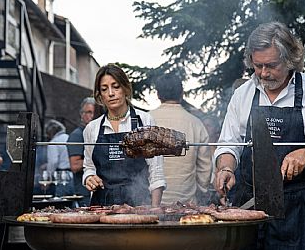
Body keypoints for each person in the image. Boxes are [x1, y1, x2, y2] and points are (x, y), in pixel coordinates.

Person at [213, 22, 305, 250]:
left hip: (300, 208)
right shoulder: (243, 94)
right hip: (250, 205)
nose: (264, 73)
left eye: (272, 65)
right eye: (258, 66)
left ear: (290, 59)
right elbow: (228, 144)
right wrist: (226, 168)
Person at [82, 64, 166, 206]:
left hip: (139, 204)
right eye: (104, 89)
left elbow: (156, 170)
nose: (111, 93)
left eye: (116, 87)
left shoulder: (144, 121)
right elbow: (89, 166)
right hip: (101, 206)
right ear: (100, 95)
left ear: (125, 89)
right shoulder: (92, 128)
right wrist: (89, 177)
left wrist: (154, 209)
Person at [150, 72, 212, 205]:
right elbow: (205, 169)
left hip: (150, 204)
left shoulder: (146, 120)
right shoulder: (195, 123)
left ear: (158, 94)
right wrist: (202, 190)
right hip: (186, 205)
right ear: (181, 93)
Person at [66, 97, 96, 206]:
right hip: (85, 191)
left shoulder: (97, 133)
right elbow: (74, 165)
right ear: (81, 115)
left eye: (93, 112)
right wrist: (100, 158)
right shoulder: (77, 135)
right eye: (88, 112)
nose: (91, 116)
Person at [45, 119, 74, 197]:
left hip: (61, 176)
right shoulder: (70, 138)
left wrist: (48, 177)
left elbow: (53, 162)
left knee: (61, 202)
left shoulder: (53, 142)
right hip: (73, 175)